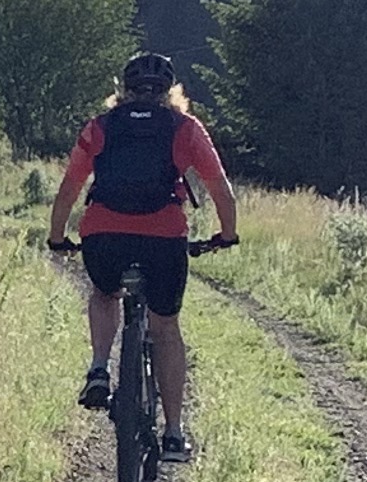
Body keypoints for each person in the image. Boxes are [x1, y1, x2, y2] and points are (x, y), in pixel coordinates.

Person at [46, 52, 239, 460]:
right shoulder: (185, 128)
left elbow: (68, 189)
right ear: (171, 92)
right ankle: (174, 434)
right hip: (163, 240)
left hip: (104, 236)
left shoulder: (100, 127)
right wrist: (226, 234)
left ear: (123, 90)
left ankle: (100, 367)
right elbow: (220, 189)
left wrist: (57, 238)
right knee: (165, 326)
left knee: (104, 294)